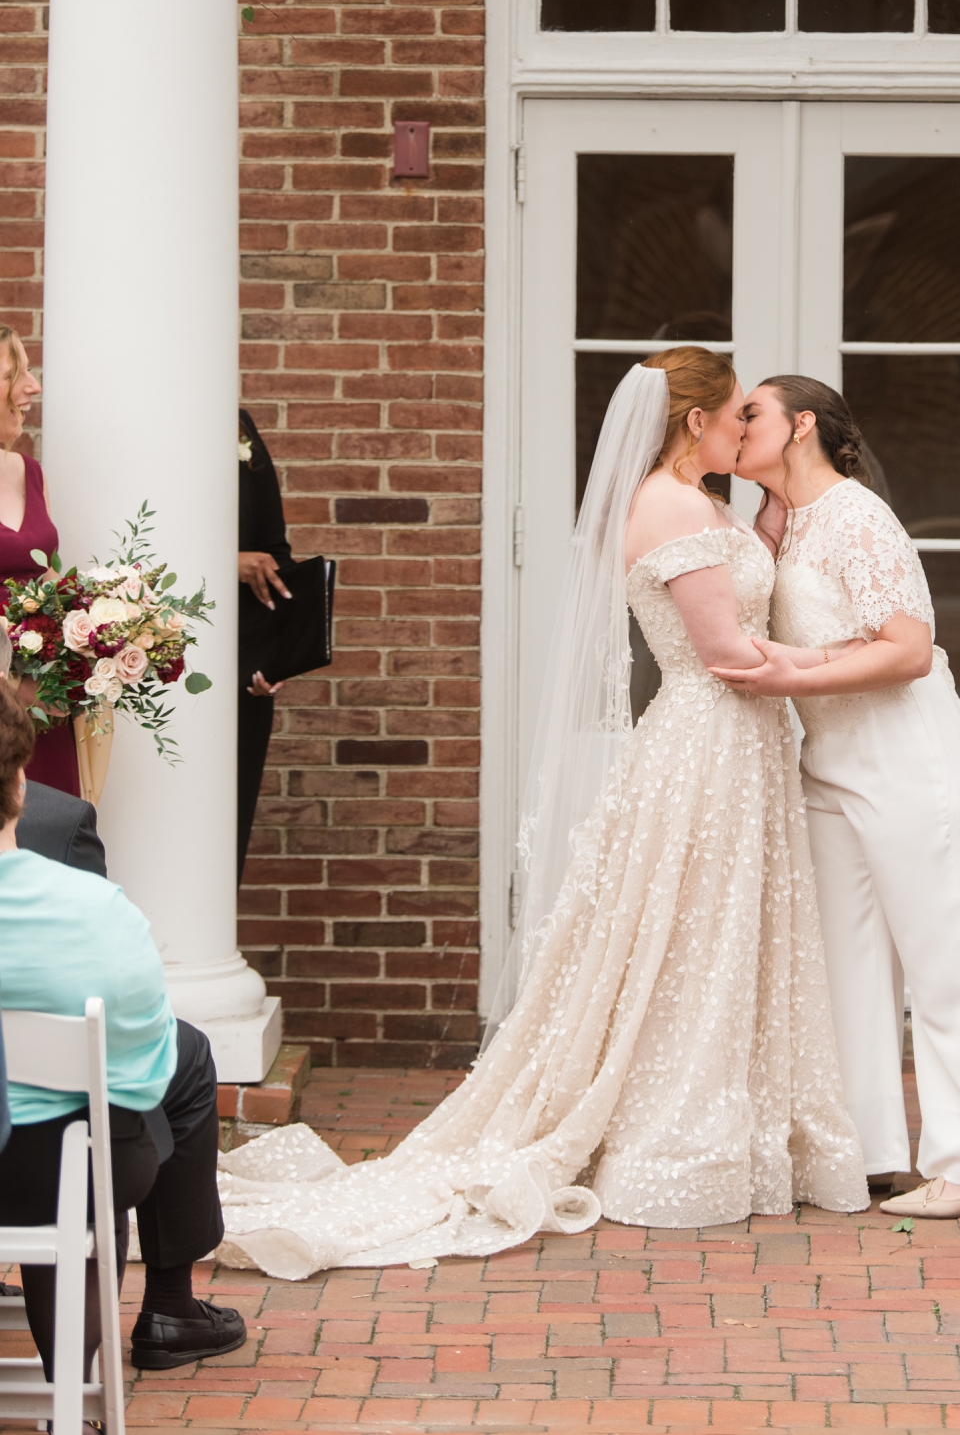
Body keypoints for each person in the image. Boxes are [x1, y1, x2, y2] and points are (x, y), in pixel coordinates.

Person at [211, 349, 866, 1278]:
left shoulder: (709, 503)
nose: (740, 433)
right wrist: (850, 666)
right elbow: (722, 650)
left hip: (742, 741)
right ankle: (670, 1132)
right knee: (692, 935)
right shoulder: (671, 505)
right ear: (693, 422)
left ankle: (732, 1118)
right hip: (710, 736)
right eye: (731, 417)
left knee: (710, 933)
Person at [715, 375, 960, 1220]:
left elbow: (910, 648)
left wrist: (795, 668)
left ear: (802, 425)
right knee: (843, 967)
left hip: (907, 755)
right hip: (832, 758)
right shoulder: (786, 524)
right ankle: (863, 1152)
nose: (734, 423)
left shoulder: (859, 516)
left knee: (948, 958)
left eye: (752, 412)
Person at [0, 685, 246, 1375]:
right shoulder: (97, 910)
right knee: (104, 1124)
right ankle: (76, 1392)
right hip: (50, 1173)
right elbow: (137, 1073)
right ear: (20, 781)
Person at [0, 323, 79, 796]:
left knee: (56, 829)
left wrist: (101, 631)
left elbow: (46, 575)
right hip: (5, 703)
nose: (35, 386)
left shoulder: (28, 472)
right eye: (17, 373)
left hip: (44, 706)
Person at [237, 406, 294, 882]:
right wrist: (223, 560)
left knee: (229, 822)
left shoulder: (240, 428)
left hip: (241, 674)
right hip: (142, 667)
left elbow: (275, 553)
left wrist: (270, 661)